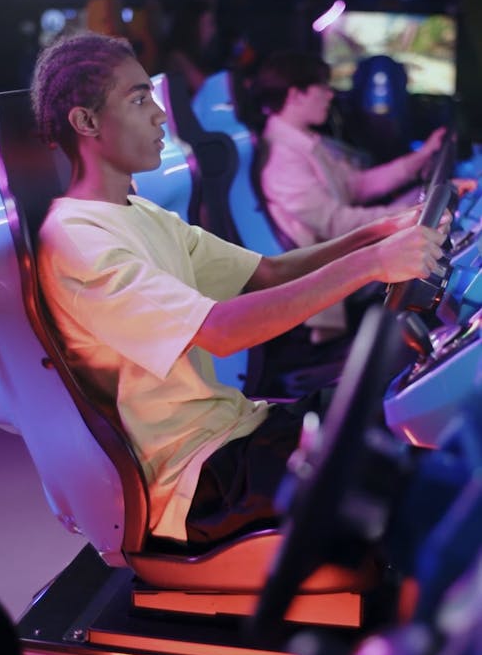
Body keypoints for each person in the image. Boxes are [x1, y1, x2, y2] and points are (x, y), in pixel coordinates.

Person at [31, 32, 447, 547]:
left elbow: (268, 272)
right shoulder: (79, 241)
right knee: (428, 490)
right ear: (86, 122)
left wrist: (380, 234)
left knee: (404, 412)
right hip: (199, 477)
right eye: (140, 99)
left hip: (239, 429)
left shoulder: (140, 212)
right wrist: (372, 264)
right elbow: (222, 332)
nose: (161, 114)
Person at [252, 50, 447, 343]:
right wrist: (408, 213)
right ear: (296, 95)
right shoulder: (281, 157)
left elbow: (355, 186)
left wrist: (419, 160)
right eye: (322, 87)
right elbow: (336, 224)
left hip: (344, 257)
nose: (330, 95)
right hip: (331, 274)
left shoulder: (305, 143)